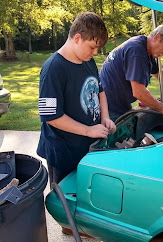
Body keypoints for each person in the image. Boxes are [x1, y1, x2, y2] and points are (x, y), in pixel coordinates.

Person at [37, 12, 116, 187]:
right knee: (65, 200)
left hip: (87, 146)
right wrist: (88, 130)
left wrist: (105, 117)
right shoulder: (53, 69)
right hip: (63, 151)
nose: (95, 52)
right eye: (92, 47)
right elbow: (51, 117)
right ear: (78, 38)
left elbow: (100, 90)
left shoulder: (88, 61)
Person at [99, 24, 163, 123]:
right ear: (157, 38)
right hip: (108, 106)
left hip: (120, 102)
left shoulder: (146, 48)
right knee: (121, 137)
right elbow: (139, 93)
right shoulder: (136, 51)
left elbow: (158, 74)